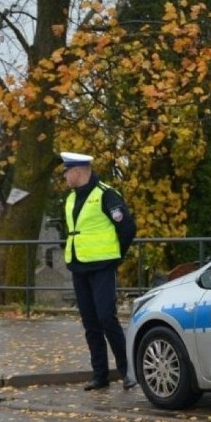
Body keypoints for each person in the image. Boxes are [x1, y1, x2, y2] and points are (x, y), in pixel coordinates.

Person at [62, 151, 137, 391]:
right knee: (90, 322)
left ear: (77, 171)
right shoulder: (71, 198)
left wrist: (116, 257)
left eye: (66, 171)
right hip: (79, 265)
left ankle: (128, 371)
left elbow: (127, 228)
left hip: (102, 266)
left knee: (107, 318)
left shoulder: (106, 195)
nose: (64, 176)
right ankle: (100, 374)